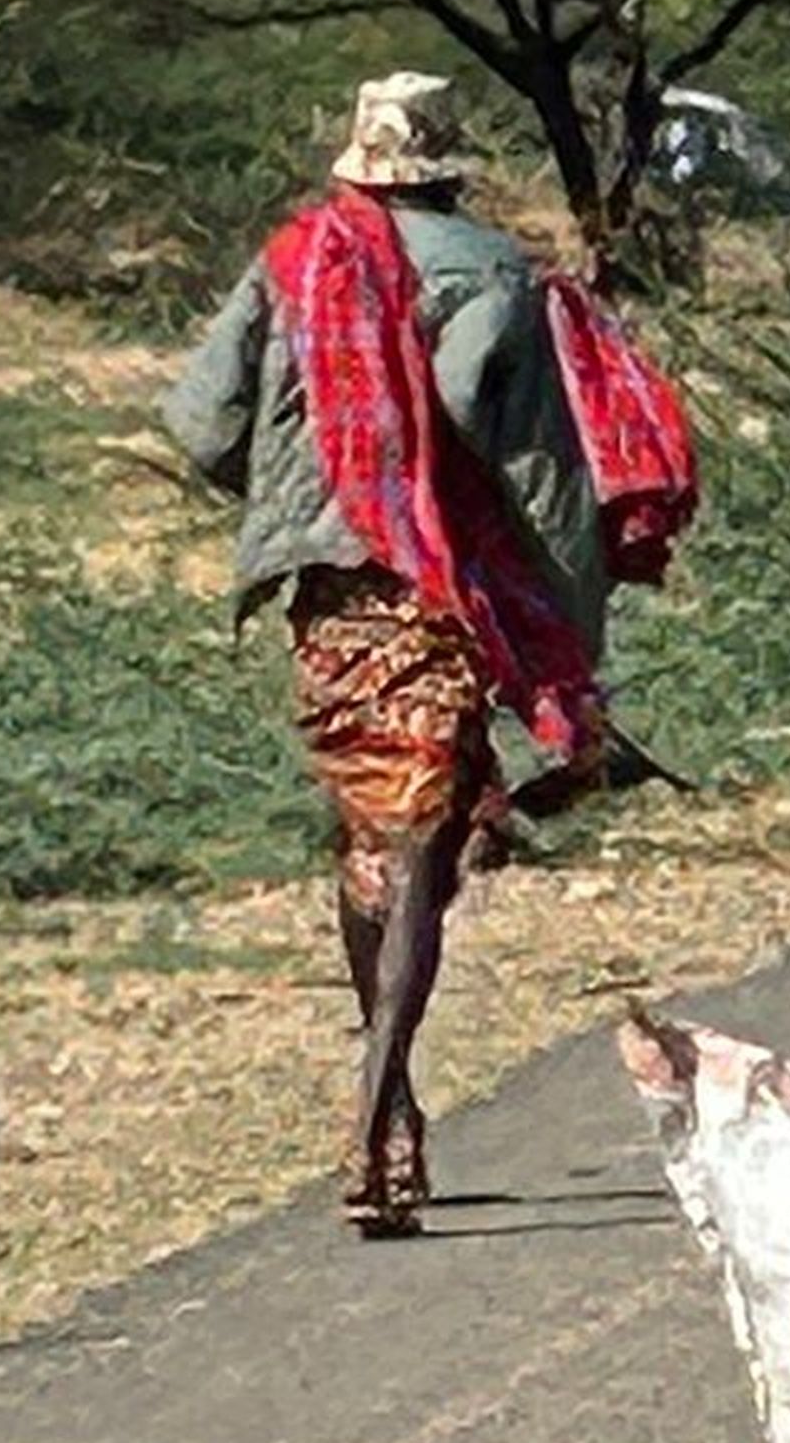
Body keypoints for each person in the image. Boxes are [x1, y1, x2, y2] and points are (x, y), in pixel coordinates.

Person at [162, 68, 689, 1237]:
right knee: (421, 844)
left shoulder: (295, 260)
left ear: (356, 163)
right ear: (451, 165)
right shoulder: (497, 271)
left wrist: (301, 493)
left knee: (373, 831)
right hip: (446, 586)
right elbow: (530, 464)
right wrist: (565, 636)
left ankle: (388, 1098)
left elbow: (199, 422)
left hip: (329, 591)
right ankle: (381, 1093)